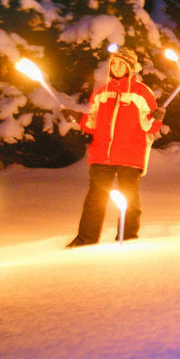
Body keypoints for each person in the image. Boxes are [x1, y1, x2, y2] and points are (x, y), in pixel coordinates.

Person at [65, 47, 164, 247]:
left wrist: (157, 118)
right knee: (95, 200)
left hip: (130, 154)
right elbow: (93, 124)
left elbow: (149, 126)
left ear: (131, 67)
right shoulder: (101, 93)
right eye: (113, 63)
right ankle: (85, 240)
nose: (117, 67)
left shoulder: (142, 93)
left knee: (130, 199)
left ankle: (127, 237)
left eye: (121, 64)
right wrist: (78, 118)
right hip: (102, 155)